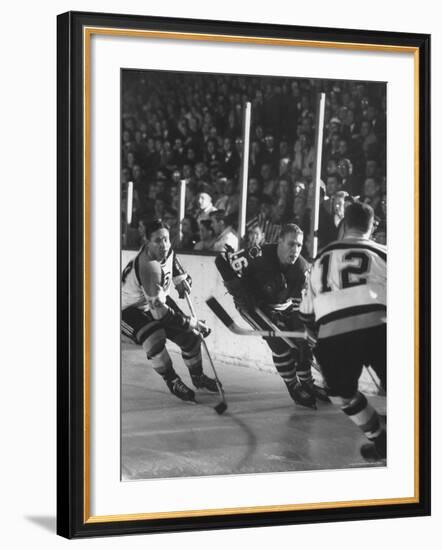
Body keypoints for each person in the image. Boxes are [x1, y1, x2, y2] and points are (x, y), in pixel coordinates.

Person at [299, 202, 387, 461]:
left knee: (341, 393)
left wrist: (316, 335)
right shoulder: (384, 253)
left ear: (344, 224)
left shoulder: (320, 259)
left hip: (333, 336)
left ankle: (380, 440)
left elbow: (306, 313)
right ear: (372, 226)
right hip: (379, 328)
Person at [215, 223, 328, 408]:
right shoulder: (257, 255)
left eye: (299, 245)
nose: (295, 250)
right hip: (254, 307)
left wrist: (301, 337)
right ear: (279, 242)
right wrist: (237, 288)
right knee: (280, 344)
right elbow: (222, 262)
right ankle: (293, 385)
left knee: (301, 344)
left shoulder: (302, 269)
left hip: (285, 306)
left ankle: (307, 382)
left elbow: (300, 307)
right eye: (291, 244)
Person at [121, 219, 218, 402]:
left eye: (166, 239)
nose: (164, 245)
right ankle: (172, 380)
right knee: (154, 337)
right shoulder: (148, 266)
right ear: (147, 242)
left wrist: (183, 281)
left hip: (152, 301)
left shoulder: (167, 251)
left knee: (191, 337)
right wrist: (191, 322)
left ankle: (198, 377)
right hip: (127, 309)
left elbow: (177, 272)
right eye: (157, 241)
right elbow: (160, 315)